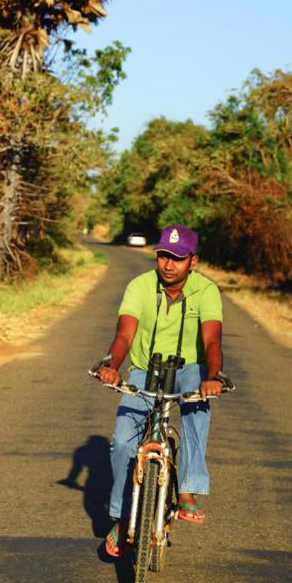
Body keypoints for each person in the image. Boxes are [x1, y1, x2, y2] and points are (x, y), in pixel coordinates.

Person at [96, 225, 223, 557]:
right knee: (123, 440)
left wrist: (214, 376)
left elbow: (212, 340)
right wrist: (112, 365)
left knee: (198, 398)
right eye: (164, 255)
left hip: (189, 370)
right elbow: (124, 335)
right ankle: (123, 516)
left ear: (192, 262)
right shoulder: (139, 286)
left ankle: (188, 488)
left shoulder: (207, 291)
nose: (168, 264)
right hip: (144, 369)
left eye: (178, 258)